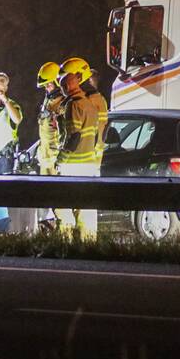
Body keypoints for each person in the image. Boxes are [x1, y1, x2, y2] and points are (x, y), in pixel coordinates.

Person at [54, 57, 107, 234]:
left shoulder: (74, 104)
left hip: (73, 165)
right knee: (86, 212)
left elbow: (74, 137)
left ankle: (66, 247)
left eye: (65, 79)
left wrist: (61, 159)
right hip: (90, 164)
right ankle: (88, 248)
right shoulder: (91, 103)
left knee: (63, 208)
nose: (61, 83)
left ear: (77, 78)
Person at [35, 62, 64, 176]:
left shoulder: (63, 103)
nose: (46, 88)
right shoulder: (48, 101)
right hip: (45, 157)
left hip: (55, 157)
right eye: (45, 85)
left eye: (49, 84)